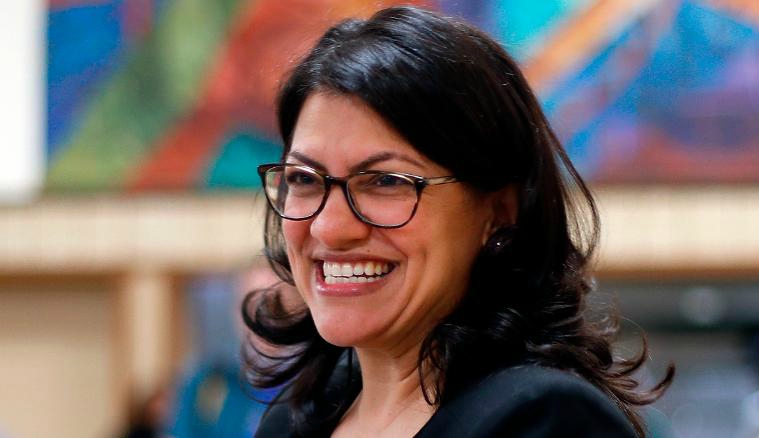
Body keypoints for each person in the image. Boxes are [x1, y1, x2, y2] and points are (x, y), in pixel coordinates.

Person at [243, 6, 673, 437]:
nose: (329, 228)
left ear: (500, 211)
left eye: (387, 181)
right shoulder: (292, 420)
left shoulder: (545, 419)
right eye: (304, 178)